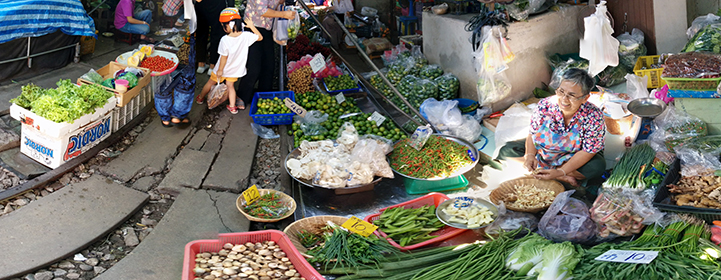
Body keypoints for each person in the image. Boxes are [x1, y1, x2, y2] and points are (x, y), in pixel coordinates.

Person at [496, 68, 606, 188]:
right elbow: (532, 133)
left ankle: (552, 173)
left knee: (597, 166)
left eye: (572, 95)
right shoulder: (545, 105)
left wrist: (561, 171)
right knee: (506, 151)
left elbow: (587, 151)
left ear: (585, 98)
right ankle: (558, 176)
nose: (564, 99)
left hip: (573, 155)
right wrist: (530, 156)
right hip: (545, 150)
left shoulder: (593, 116)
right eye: (561, 91)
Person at [196, 8, 262, 114]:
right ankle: (232, 107)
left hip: (222, 69)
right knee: (230, 87)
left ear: (227, 26)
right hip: (235, 70)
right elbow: (259, 37)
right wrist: (252, 26)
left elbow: (223, 57)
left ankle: (200, 98)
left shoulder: (225, 40)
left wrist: (220, 70)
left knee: (210, 83)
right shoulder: (246, 36)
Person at [236, 0, 296, 110]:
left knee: (269, 64)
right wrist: (284, 14)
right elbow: (262, 10)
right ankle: (242, 96)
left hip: (267, 28)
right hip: (253, 27)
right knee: (254, 66)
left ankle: (264, 95)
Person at [194, 0, 232, 75]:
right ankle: (213, 66)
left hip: (201, 5)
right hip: (217, 4)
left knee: (201, 34)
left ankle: (201, 64)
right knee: (216, 35)